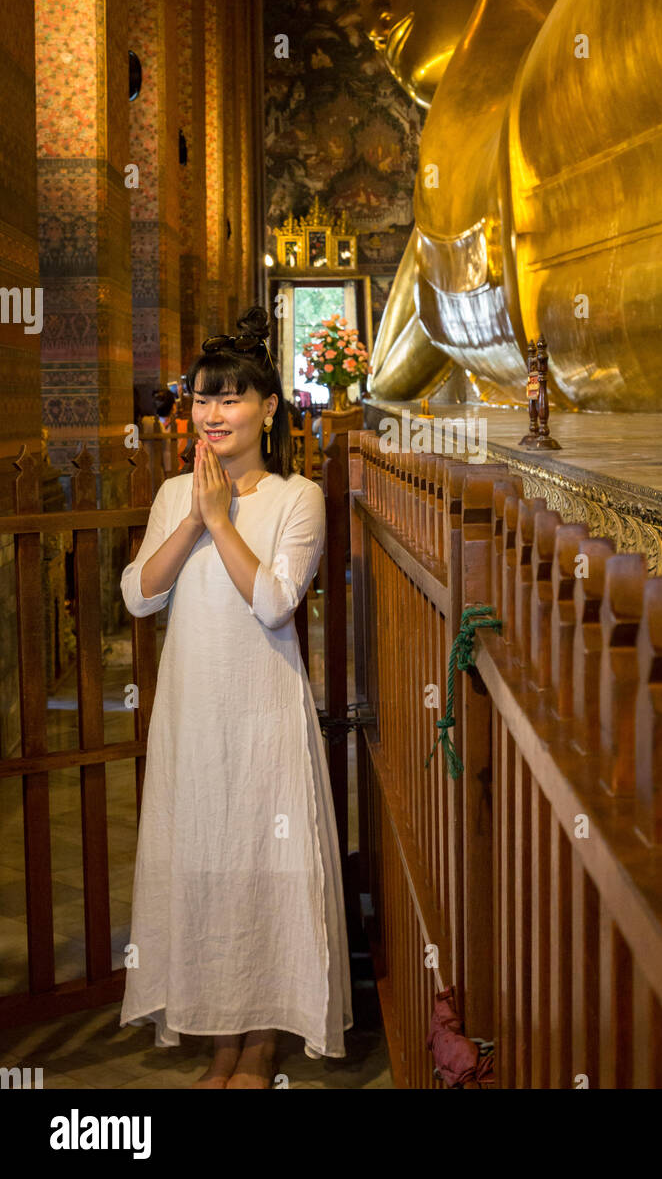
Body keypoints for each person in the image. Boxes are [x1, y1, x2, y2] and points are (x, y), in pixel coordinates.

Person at [119, 304, 353, 1088]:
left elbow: (275, 602)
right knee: (205, 863)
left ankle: (261, 1040)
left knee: (262, 861)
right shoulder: (171, 494)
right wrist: (193, 519)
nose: (212, 414)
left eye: (230, 398)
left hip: (262, 712)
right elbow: (138, 597)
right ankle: (220, 1035)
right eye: (203, 399)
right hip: (192, 709)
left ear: (267, 408)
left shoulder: (298, 498)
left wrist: (222, 519)